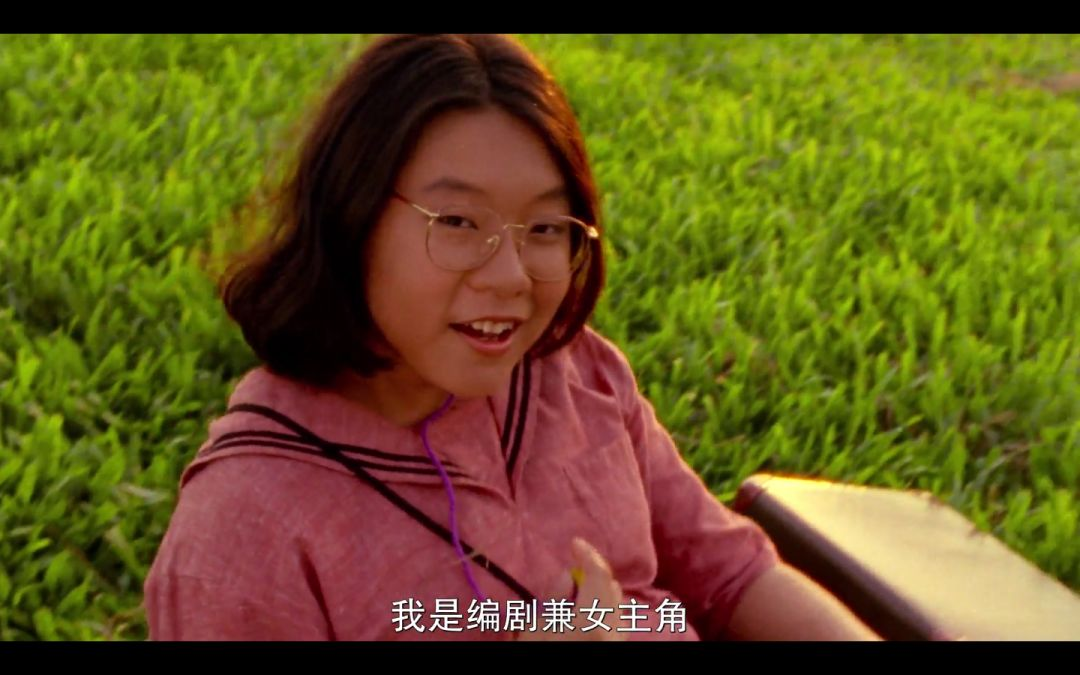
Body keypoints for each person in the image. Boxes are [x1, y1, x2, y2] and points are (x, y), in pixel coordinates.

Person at [143, 34, 880, 641]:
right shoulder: (247, 533)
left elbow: (732, 576)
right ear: (352, 216)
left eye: (546, 228)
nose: (511, 276)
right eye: (458, 223)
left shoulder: (575, 373)